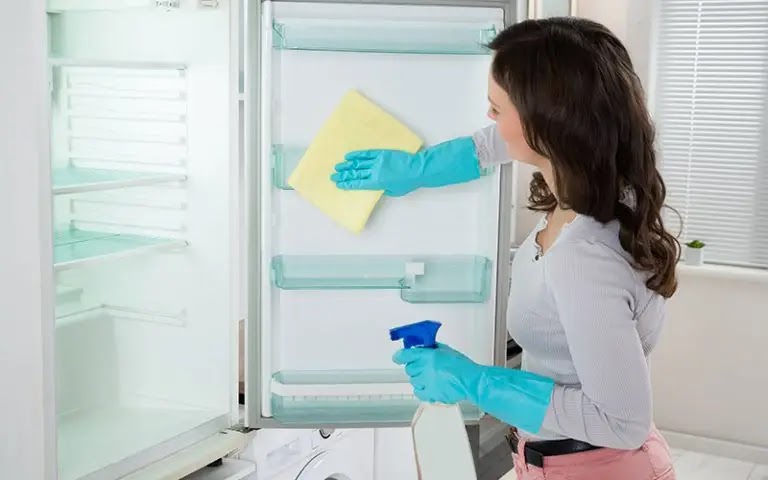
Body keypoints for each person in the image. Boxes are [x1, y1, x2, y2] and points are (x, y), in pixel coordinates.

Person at [331, 16, 679, 480]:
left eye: (499, 106)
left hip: (596, 469)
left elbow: (622, 421)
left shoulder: (585, 256)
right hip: (558, 461)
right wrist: (417, 169)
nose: (489, 116)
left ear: (549, 125)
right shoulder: (599, 181)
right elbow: (490, 144)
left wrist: (472, 381)